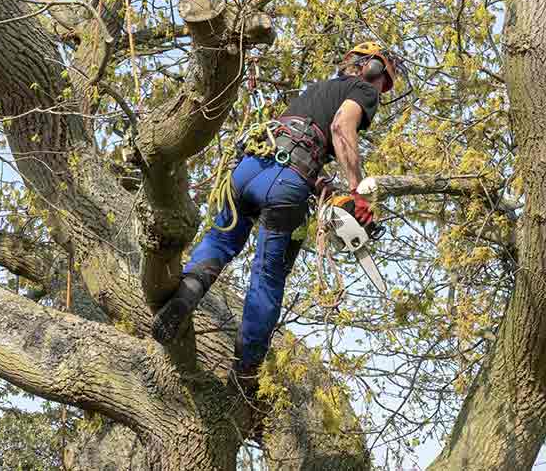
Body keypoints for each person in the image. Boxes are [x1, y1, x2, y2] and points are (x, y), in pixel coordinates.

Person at [151, 41, 399, 385]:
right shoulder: (360, 90)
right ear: (370, 70)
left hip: (248, 170)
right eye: (382, 82)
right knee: (268, 276)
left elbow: (300, 141)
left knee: (220, 242)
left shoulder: (316, 91)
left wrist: (319, 183)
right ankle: (246, 370)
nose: (380, 92)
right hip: (285, 183)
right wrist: (357, 192)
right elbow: (342, 128)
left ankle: (184, 297)